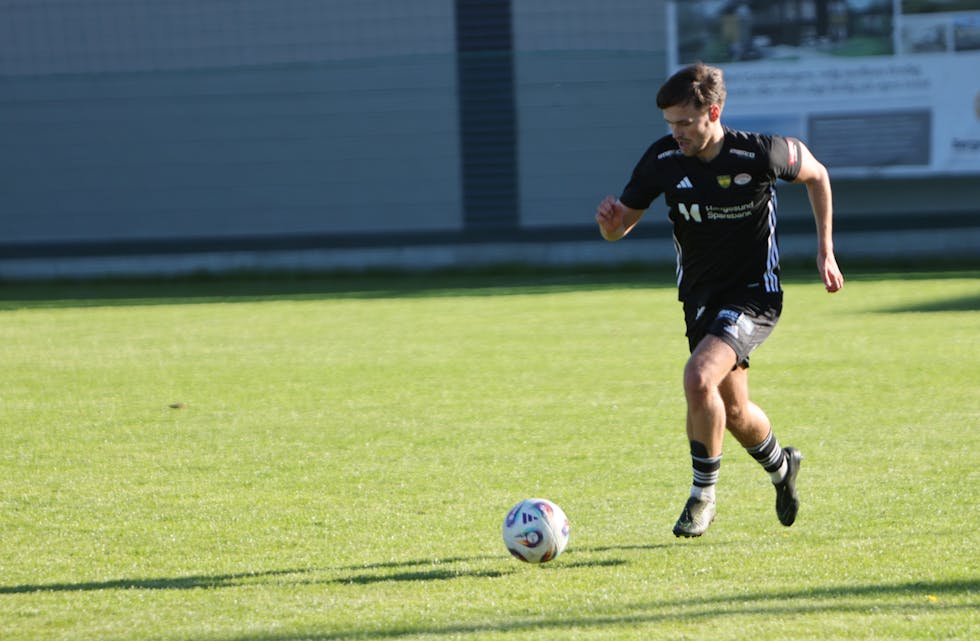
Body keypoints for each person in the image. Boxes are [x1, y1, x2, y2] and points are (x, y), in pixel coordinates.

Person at [595, 62, 844, 538]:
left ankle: (701, 497)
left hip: (754, 294)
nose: (676, 134)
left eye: (684, 123)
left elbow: (818, 175)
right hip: (700, 299)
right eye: (669, 124)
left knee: (697, 377)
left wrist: (825, 251)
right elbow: (619, 227)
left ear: (712, 112)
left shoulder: (762, 153)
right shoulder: (663, 159)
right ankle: (781, 467)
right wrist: (609, 223)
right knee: (732, 412)